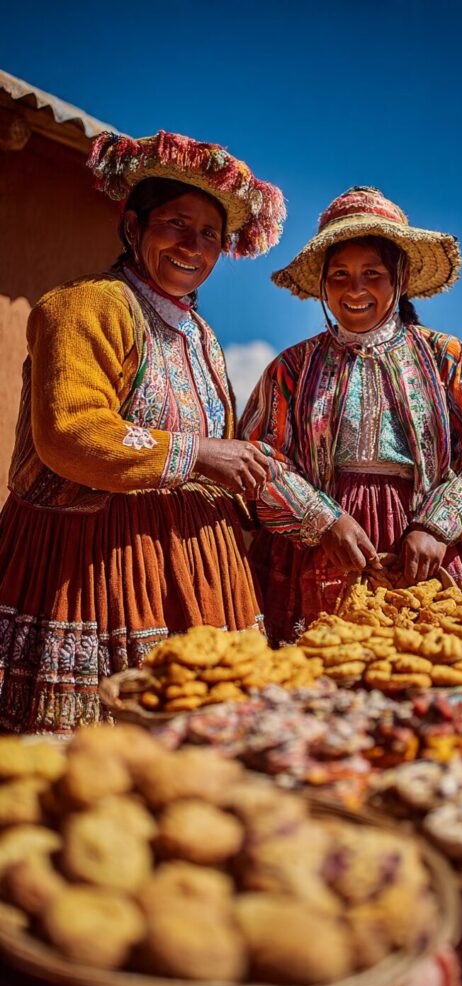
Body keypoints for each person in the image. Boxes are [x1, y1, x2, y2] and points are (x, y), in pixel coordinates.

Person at [0, 130, 285, 733]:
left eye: (210, 234)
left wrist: (318, 520)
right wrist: (196, 454)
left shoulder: (201, 336)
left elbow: (232, 450)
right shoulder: (86, 307)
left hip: (196, 572)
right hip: (90, 568)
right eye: (176, 224)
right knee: (93, 767)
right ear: (133, 226)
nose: (194, 245)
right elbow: (70, 431)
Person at [240, 186, 462, 645]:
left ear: (400, 278)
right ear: (323, 285)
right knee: (322, 679)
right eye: (340, 276)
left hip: (430, 548)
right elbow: (258, 456)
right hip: (319, 552)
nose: (356, 290)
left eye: (373, 274)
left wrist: (437, 526)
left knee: (438, 664)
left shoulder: (446, 357)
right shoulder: (289, 369)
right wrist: (322, 521)